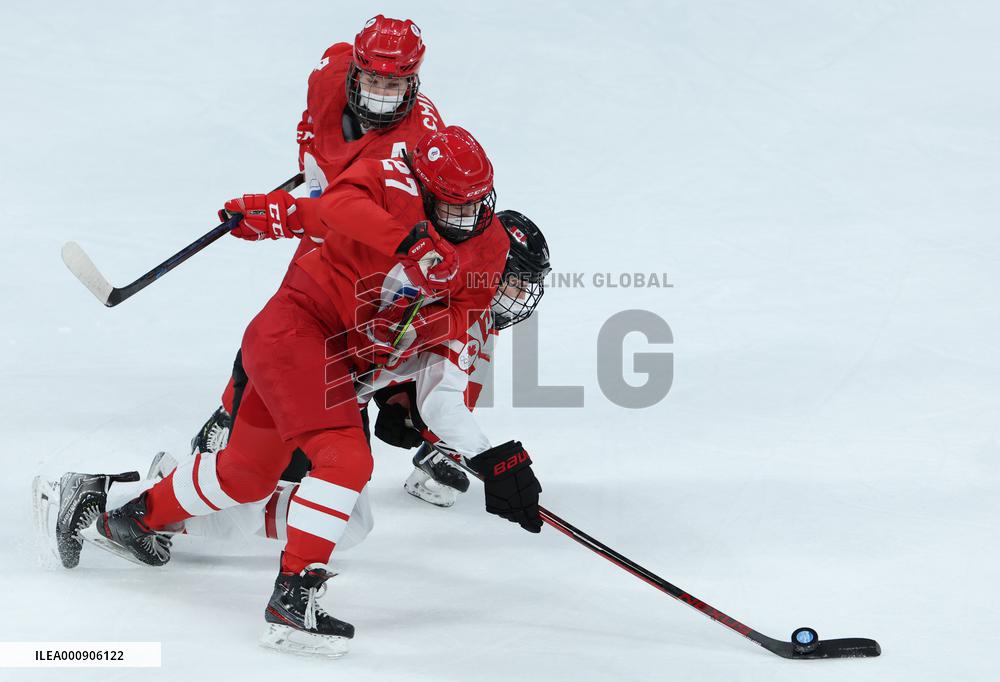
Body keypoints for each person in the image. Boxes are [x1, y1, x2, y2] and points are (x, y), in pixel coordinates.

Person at [74, 127, 537, 658]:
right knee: (344, 460)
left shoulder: (488, 254)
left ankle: (122, 519)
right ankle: (293, 600)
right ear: (425, 188)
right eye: (452, 207)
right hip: (297, 329)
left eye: (477, 205)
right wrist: (286, 216)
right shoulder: (390, 181)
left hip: (333, 364)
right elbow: (334, 210)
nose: (466, 220)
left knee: (245, 477)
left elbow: (443, 393)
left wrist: (495, 460)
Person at [34, 210, 551, 570]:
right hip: (293, 363)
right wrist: (488, 458)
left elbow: (438, 388)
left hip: (324, 383)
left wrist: (418, 422)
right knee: (274, 484)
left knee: (333, 516)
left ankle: (145, 498)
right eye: (510, 280)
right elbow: (435, 390)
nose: (513, 296)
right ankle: (138, 498)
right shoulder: (424, 265)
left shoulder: (463, 305)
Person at [191, 14, 455, 497]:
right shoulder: (330, 72)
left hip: (366, 237)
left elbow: (383, 220)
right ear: (355, 70)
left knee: (317, 328)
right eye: (372, 78)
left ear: (413, 81)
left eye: (393, 84)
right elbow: (314, 126)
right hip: (329, 208)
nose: (379, 92)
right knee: (283, 323)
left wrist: (294, 212)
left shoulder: (419, 143)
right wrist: (315, 170)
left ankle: (401, 422)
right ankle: (231, 413)